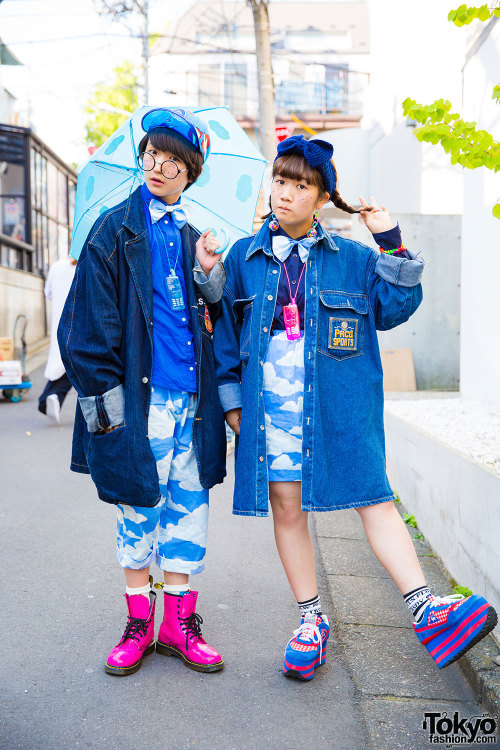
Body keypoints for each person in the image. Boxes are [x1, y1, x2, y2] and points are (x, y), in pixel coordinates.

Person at [213, 135, 497, 681]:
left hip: (341, 403)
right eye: (280, 181)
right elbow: (225, 333)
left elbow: (395, 308)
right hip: (270, 407)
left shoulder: (354, 259)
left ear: (321, 198)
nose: (286, 194)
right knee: (286, 507)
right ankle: (310, 621)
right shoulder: (242, 258)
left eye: (301, 186)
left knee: (375, 498)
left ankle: (426, 610)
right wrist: (232, 407)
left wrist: (389, 241)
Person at [58, 108, 228, 677]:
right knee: (138, 512)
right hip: (140, 403)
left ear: (190, 174)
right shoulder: (113, 229)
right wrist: (109, 413)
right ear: (143, 157)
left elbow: (212, 319)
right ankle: (138, 624)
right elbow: (83, 332)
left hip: (192, 402)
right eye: (154, 155)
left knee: (187, 512)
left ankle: (178, 626)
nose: (159, 166)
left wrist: (208, 273)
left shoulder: (189, 236)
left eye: (174, 161)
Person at [38, 255, 77, 423]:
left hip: (58, 322)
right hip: (78, 322)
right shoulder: (83, 267)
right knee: (72, 365)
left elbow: (48, 293)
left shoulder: (56, 266)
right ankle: (49, 397)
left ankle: (53, 397)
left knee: (62, 362)